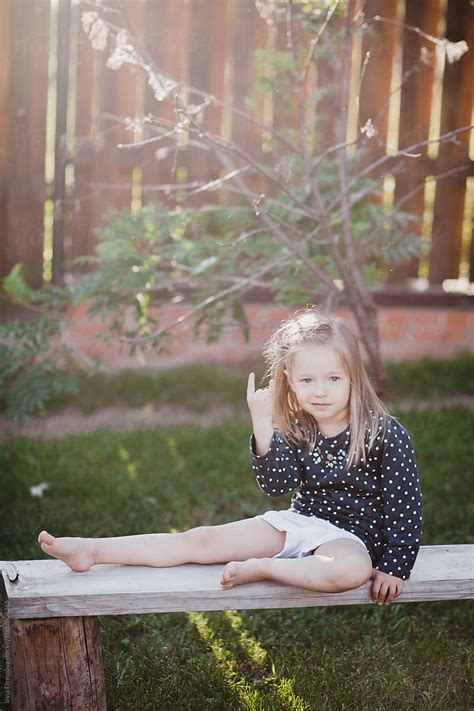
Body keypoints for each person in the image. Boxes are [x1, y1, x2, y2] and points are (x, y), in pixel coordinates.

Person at [38, 309, 423, 605]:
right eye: (307, 380)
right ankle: (93, 550)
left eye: (333, 379)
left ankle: (264, 569)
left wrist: (394, 565)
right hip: (302, 522)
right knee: (200, 540)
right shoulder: (299, 426)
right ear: (289, 381)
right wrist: (263, 423)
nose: (320, 391)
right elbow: (277, 486)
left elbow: (406, 507)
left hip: (351, 540)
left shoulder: (383, 433)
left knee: (353, 570)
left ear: (353, 377)